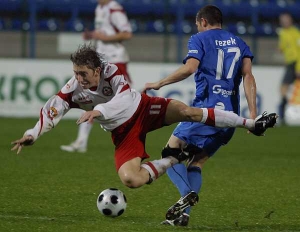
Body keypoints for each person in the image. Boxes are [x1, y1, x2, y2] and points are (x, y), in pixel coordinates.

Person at [11, 44, 277, 191]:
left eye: (83, 73)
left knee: (188, 112)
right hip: (122, 133)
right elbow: (52, 108)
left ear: (97, 69)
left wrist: (99, 111)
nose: (79, 78)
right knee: (131, 180)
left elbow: (125, 99)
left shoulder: (112, 71)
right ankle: (174, 158)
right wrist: (34, 133)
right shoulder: (74, 89)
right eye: (76, 73)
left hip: (143, 109)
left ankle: (251, 123)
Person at [143, 5, 276, 226]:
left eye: (197, 24)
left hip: (205, 113)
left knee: (170, 153)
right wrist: (252, 118)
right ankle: (184, 216)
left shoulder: (199, 39)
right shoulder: (240, 43)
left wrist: (159, 82)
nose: (197, 28)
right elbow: (248, 77)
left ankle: (186, 193)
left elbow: (190, 68)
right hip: (230, 119)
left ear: (203, 22)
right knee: (196, 163)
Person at [60, 0, 133, 153]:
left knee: (123, 99)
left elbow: (127, 33)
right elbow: (104, 33)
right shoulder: (100, 8)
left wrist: (104, 38)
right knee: (88, 96)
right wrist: (93, 35)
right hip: (103, 58)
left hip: (115, 60)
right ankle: (81, 141)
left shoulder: (114, 9)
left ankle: (132, 136)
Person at [278, 12, 300, 125]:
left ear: (290, 20)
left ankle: (282, 113)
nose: (284, 22)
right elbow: (283, 48)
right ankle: (283, 114)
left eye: (286, 19)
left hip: (295, 64)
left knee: (284, 88)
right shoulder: (282, 33)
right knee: (284, 89)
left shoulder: (295, 33)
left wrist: (298, 67)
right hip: (290, 63)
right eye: (282, 20)